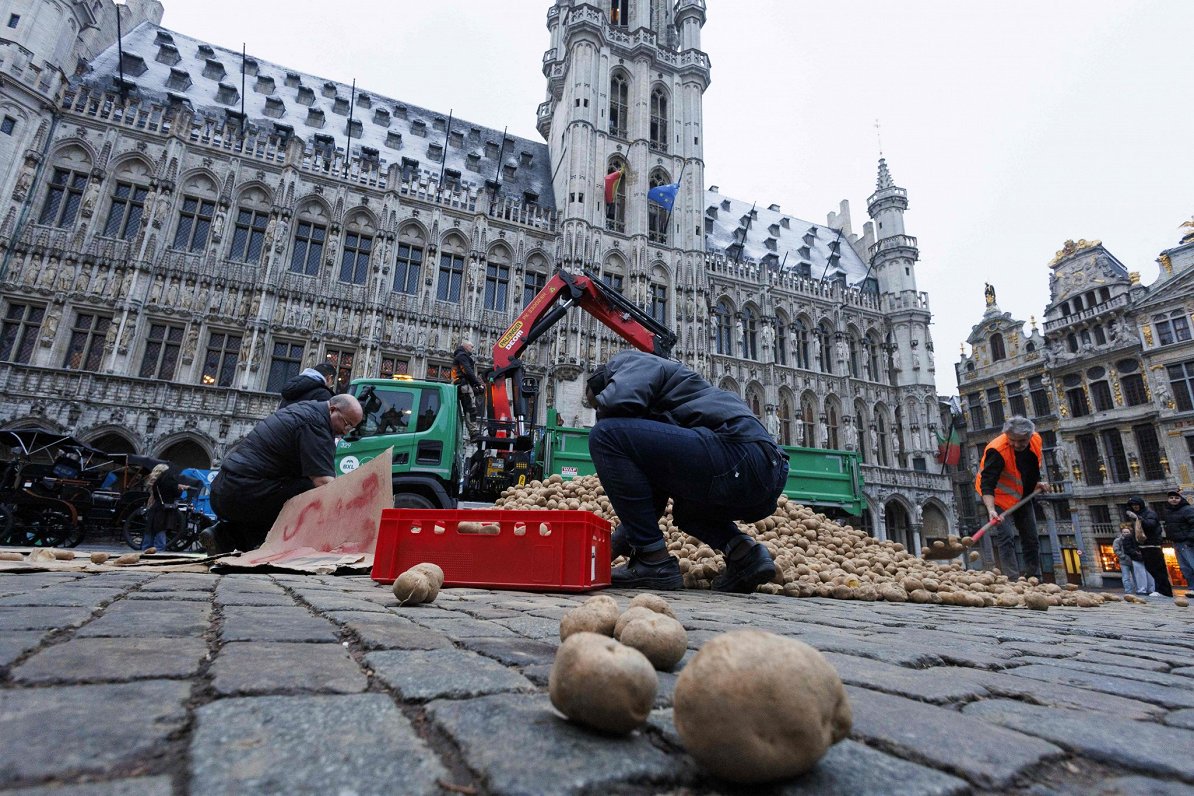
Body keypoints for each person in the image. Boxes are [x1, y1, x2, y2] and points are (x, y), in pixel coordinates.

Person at [584, 350, 790, 592]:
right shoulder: (661, 410)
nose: (600, 405)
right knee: (686, 513)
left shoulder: (630, 362)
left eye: (600, 399)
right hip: (763, 474)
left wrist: (602, 414)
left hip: (740, 453)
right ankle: (745, 555)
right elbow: (651, 500)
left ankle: (653, 563)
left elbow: (619, 402)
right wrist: (607, 552)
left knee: (605, 435)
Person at [202, 394, 364, 554]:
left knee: (295, 487)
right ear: (333, 410)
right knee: (309, 492)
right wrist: (352, 510)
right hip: (240, 492)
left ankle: (223, 537)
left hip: (227, 489)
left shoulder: (305, 410)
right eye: (346, 423)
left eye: (351, 428)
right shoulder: (315, 424)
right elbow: (323, 482)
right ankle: (290, 548)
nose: (345, 431)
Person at [975, 416, 1049, 580]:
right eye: (1012, 440)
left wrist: (1035, 484)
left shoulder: (1036, 440)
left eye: (1021, 441)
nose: (1016, 445)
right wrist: (991, 509)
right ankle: (1012, 578)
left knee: (1031, 536)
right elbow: (987, 483)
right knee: (1006, 536)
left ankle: (1034, 576)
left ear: (1030, 436)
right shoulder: (997, 450)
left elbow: (1029, 467)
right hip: (997, 497)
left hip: (1022, 495)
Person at [1127, 495, 1172, 597]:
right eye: (1133, 505)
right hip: (1144, 546)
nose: (1135, 507)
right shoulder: (1138, 514)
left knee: (1158, 568)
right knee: (1151, 568)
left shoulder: (1149, 513)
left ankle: (1164, 591)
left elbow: (1150, 525)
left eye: (1136, 505)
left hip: (1152, 544)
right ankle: (1161, 590)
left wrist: (1139, 518)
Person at [142, 463, 180, 552]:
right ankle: (159, 549)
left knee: (150, 527)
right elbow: (175, 493)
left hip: (153, 504)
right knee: (160, 527)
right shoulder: (167, 481)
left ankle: (146, 548)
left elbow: (154, 493)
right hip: (162, 507)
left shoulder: (155, 481)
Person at [1165, 488, 1194, 591]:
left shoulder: (1187, 509)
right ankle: (1192, 587)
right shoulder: (1169, 511)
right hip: (1176, 542)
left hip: (1187, 542)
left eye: (1176, 498)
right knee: (1184, 567)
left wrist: (1190, 539)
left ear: (1181, 499)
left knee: (1192, 565)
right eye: (1171, 498)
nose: (1173, 500)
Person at [452, 340, 484, 427]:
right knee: (470, 408)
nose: (473, 349)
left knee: (467, 406)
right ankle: (473, 431)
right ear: (466, 347)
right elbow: (467, 371)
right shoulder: (462, 356)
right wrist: (478, 384)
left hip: (461, 384)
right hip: (463, 384)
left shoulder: (460, 356)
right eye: (471, 346)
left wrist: (475, 388)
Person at [1112, 523, 1144, 595]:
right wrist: (1123, 556)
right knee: (1126, 577)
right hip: (1124, 562)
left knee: (1136, 576)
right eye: (1124, 532)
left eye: (1127, 532)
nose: (1125, 533)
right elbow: (1116, 550)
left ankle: (1138, 589)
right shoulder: (1118, 540)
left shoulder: (1132, 539)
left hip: (1133, 560)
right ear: (1121, 533)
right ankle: (1128, 591)